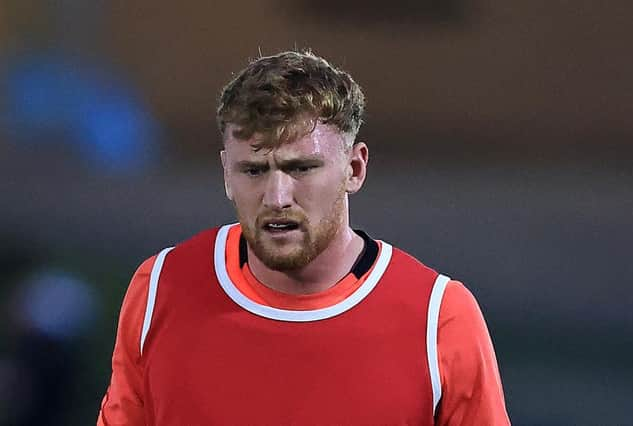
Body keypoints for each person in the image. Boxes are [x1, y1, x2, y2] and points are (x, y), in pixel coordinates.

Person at [97, 50, 510, 425]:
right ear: (226, 173)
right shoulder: (160, 289)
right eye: (254, 171)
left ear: (354, 168)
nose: (277, 198)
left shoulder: (438, 319)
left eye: (301, 168)